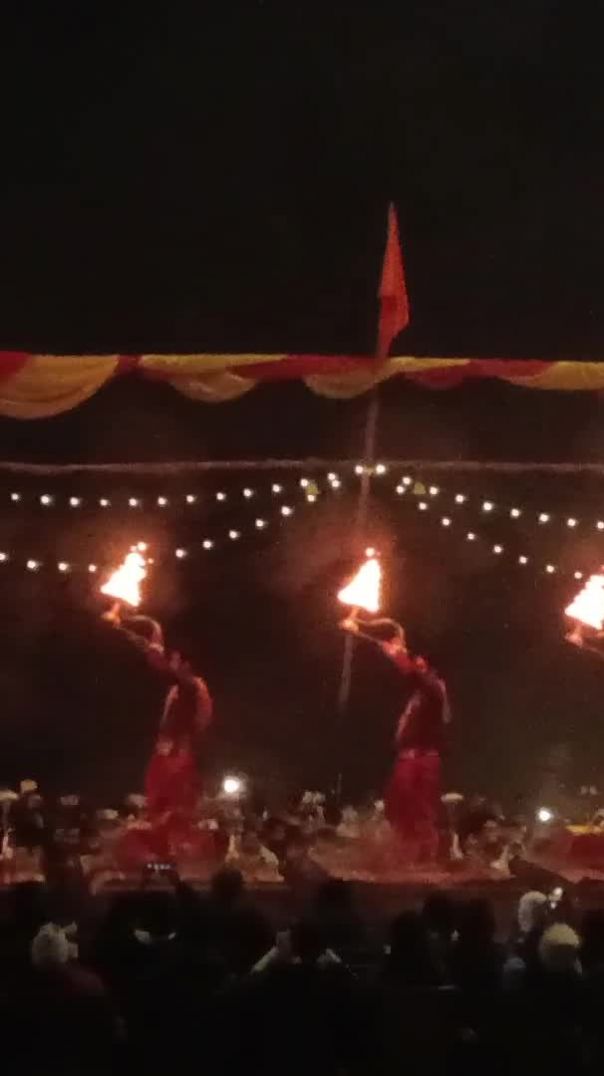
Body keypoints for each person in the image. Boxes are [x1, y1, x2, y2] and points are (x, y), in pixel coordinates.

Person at [341, 613, 451, 863]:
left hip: (423, 760)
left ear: (432, 669)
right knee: (397, 804)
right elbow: (410, 672)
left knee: (419, 809)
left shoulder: (434, 690)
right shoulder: (421, 695)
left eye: (422, 664)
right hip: (410, 758)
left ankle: (421, 857)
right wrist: (363, 631)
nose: (418, 664)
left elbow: (411, 673)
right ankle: (404, 853)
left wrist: (394, 652)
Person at [102, 604, 212, 848]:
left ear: (185, 665)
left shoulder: (192, 685)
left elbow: (155, 657)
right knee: (158, 803)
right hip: (170, 754)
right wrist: (129, 629)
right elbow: (155, 657)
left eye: (173, 659)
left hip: (177, 757)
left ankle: (173, 846)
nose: (169, 662)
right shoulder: (180, 687)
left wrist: (153, 628)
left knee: (173, 806)